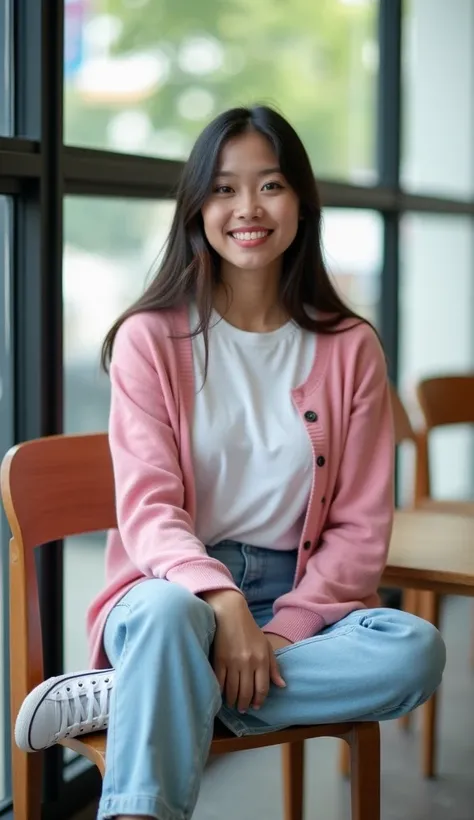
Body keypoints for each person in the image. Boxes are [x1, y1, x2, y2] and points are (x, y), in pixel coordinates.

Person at [15, 105, 446, 820]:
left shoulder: (351, 348)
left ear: (302, 203)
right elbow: (149, 510)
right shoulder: (149, 339)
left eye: (270, 185)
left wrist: (278, 631)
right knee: (163, 619)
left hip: (300, 595)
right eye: (223, 188)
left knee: (414, 649)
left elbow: (361, 529)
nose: (247, 208)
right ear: (197, 207)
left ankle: (144, 692)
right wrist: (220, 601)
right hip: (171, 589)